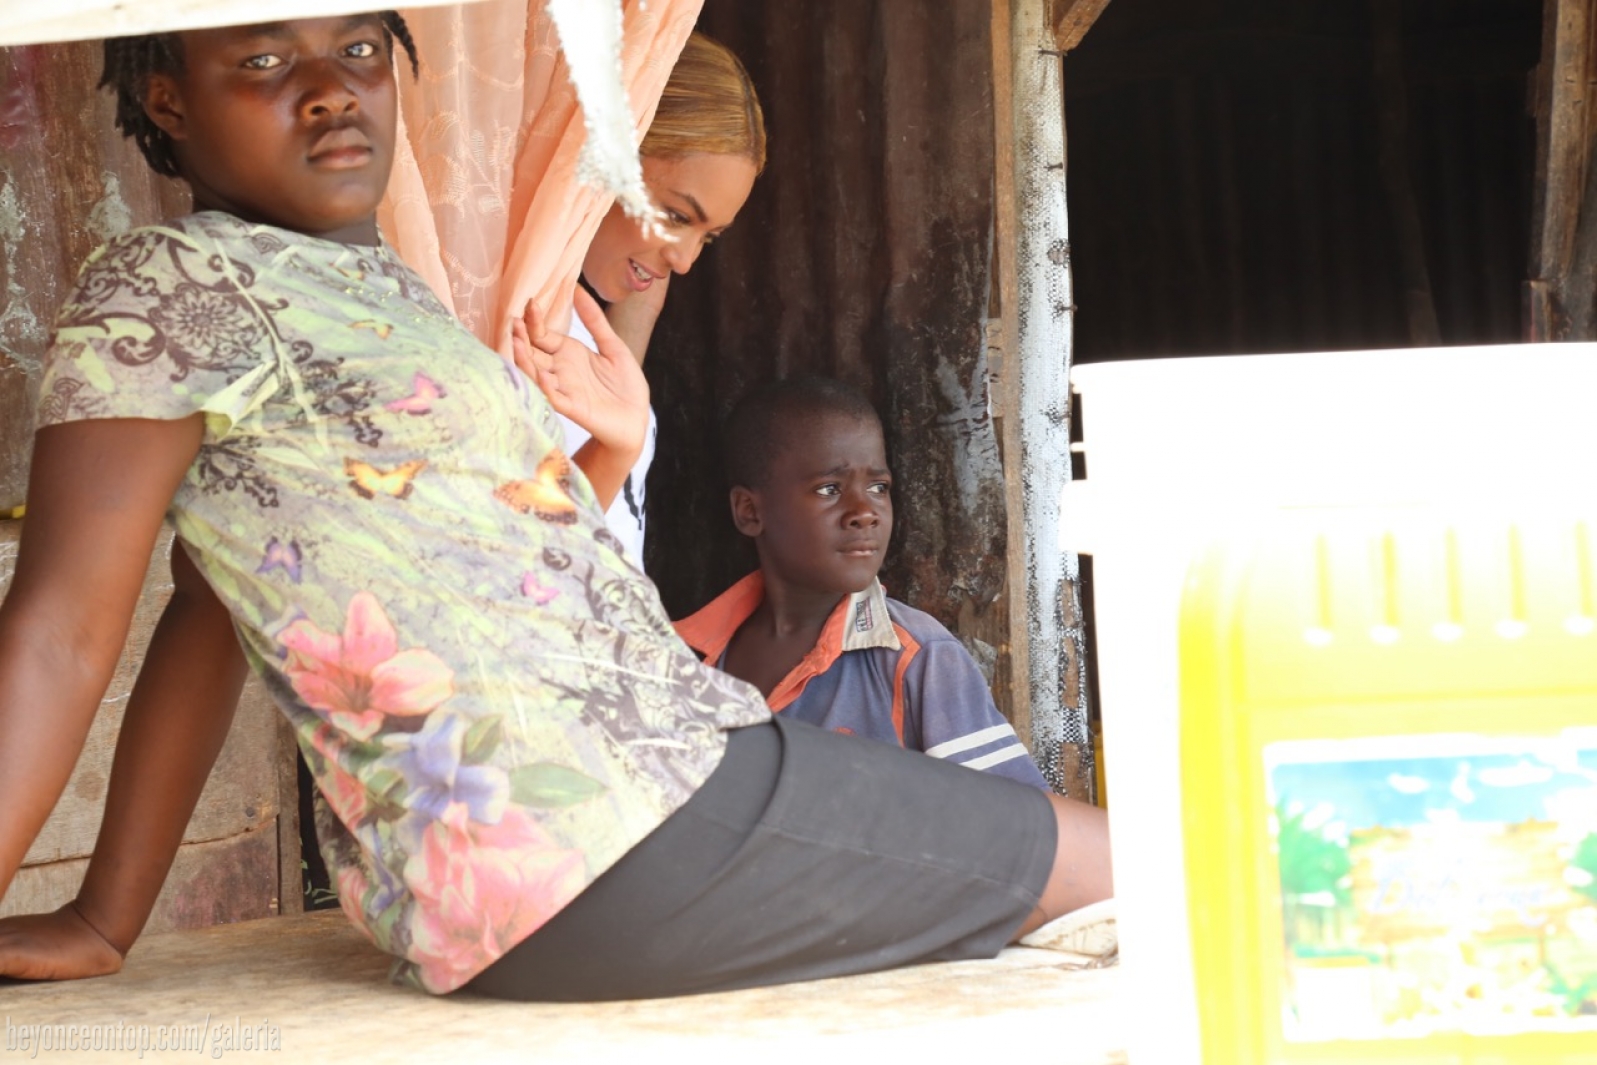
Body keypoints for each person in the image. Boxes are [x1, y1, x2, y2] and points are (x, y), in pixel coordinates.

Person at [0, 13, 1111, 1001]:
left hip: (643, 796)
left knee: (1109, 868)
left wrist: (109, 917)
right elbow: (58, 633)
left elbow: (211, 616)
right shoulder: (173, 287)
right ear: (167, 101)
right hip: (611, 830)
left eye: (361, 49)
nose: (332, 88)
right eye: (261, 59)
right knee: (1140, 872)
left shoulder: (378, 285)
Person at [675, 377, 1049, 789]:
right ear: (749, 512)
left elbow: (1017, 825)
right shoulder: (683, 657)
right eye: (829, 489)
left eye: (878, 487)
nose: (865, 512)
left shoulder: (917, 659)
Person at [552, 31, 764, 561]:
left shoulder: (566, 320)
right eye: (676, 215)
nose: (687, 260)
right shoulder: (500, 319)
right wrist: (616, 449)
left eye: (707, 236)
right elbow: (533, 554)